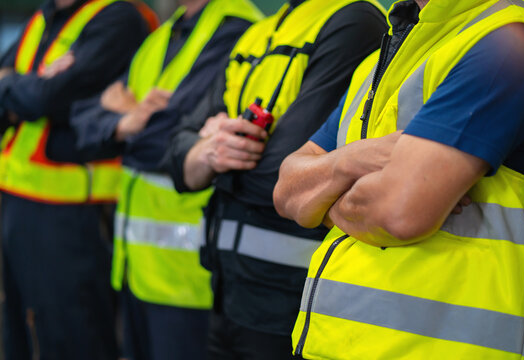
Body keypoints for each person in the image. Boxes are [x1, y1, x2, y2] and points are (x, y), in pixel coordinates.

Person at [273, 0, 524, 358]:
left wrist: (324, 195)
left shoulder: (506, 43)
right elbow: (286, 188)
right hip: (334, 343)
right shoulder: (384, 60)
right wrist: (352, 161)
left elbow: (398, 212)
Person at [164, 0, 388, 358]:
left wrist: (212, 151)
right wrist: (209, 151)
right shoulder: (258, 33)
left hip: (293, 297)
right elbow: (176, 155)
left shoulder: (354, 21)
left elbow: (280, 180)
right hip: (226, 289)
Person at [70, 0, 262, 358]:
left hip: (189, 280)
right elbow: (83, 121)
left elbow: (170, 143)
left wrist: (125, 119)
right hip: (134, 269)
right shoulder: (162, 34)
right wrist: (128, 122)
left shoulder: (237, 30)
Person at [0, 0, 153, 358]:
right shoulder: (44, 16)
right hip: (18, 202)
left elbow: (46, 98)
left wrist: (18, 86)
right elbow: (33, 92)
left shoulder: (118, 17)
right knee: (19, 332)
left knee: (73, 337)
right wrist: (28, 87)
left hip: (75, 213)